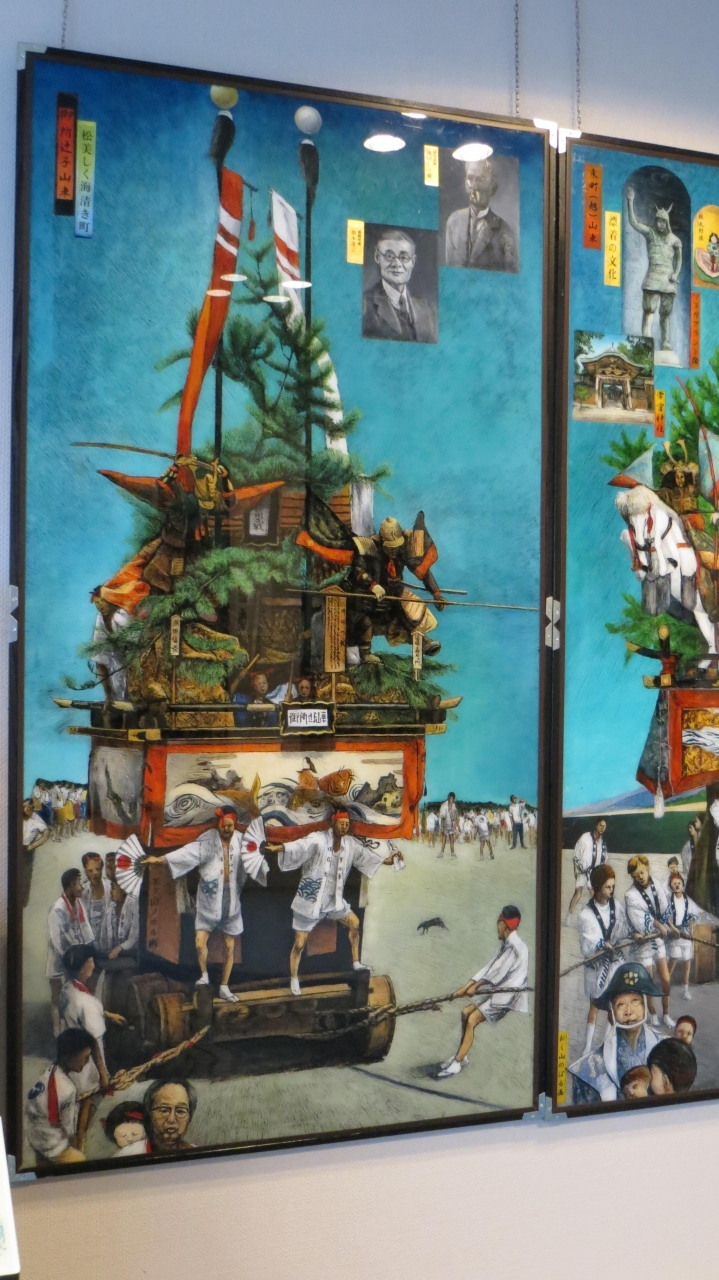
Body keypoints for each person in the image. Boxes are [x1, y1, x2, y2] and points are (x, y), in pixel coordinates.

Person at [267, 810, 398, 995]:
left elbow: (366, 855)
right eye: (341, 823)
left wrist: (388, 861)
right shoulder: (319, 839)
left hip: (333, 901)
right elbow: (301, 846)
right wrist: (280, 848)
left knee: (354, 923)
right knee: (299, 943)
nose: (344, 827)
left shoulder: (350, 844)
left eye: (347, 824)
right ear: (333, 823)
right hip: (310, 901)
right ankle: (294, 978)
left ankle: (356, 962)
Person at [144, 807, 268, 1001]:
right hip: (208, 898)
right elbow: (187, 853)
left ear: (235, 825)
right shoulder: (208, 840)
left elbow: (254, 857)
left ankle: (224, 986)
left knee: (230, 945)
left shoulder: (241, 840)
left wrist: (262, 858)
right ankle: (204, 975)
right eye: (223, 826)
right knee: (200, 941)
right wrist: (161, 859)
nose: (226, 829)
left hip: (231, 898)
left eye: (229, 826)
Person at [438, 905, 529, 1078]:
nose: (497, 925)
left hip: (508, 997)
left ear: (505, 924)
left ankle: (457, 1062)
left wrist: (475, 987)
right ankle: (462, 1055)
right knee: (466, 1012)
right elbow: (489, 968)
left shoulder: (514, 947)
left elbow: (497, 972)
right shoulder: (506, 944)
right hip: (499, 993)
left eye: (499, 922)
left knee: (472, 1019)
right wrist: (464, 988)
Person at [347, 515, 445, 665]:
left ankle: (423, 642)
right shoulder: (369, 549)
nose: (394, 550)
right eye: (390, 547)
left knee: (407, 615)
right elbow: (358, 571)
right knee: (364, 621)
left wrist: (436, 594)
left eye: (396, 546)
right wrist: (373, 585)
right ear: (382, 542)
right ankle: (365, 654)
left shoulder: (402, 550)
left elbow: (422, 571)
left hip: (392, 596)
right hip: (368, 597)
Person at [568, 963, 662, 1103]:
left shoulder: (665, 1047)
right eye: (621, 1004)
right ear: (612, 1010)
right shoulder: (590, 1067)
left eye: (635, 1001)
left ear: (645, 1005)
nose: (628, 1011)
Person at [576, 864, 631, 1056]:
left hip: (614, 964)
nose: (612, 890)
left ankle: (607, 1044)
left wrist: (629, 936)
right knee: (595, 1005)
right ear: (598, 887)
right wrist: (601, 944)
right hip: (597, 967)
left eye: (613, 886)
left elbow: (624, 929)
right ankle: (587, 1047)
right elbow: (587, 944)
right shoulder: (586, 914)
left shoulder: (617, 907)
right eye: (608, 886)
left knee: (613, 1007)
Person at [59, 944, 127, 1096]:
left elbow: (83, 1009)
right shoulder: (86, 1003)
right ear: (83, 968)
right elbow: (95, 1043)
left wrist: (108, 1015)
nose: (94, 965)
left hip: (71, 1057)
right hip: (86, 1067)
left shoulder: (67, 989)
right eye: (91, 961)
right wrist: (103, 1076)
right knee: (88, 1098)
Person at [25, 1028, 96, 1165]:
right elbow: (69, 1130)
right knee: (81, 1162)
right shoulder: (68, 1089)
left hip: (36, 1140)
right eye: (85, 1057)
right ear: (69, 1056)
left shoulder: (49, 1072)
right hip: (54, 1147)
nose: (87, 1062)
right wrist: (76, 1146)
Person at [626, 188, 682, 354]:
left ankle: (666, 342)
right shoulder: (650, 233)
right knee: (649, 309)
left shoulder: (674, 240)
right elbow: (634, 223)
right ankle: (646, 338)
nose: (660, 224)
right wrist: (630, 201)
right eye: (658, 221)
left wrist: (676, 274)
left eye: (663, 222)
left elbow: (679, 259)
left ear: (667, 223)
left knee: (666, 312)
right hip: (653, 277)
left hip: (668, 280)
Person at [625, 854, 676, 1028]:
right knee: (648, 981)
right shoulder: (630, 895)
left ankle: (666, 1014)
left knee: (666, 979)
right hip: (643, 943)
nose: (640, 877)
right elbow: (639, 919)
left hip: (658, 940)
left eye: (642, 872)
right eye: (635, 875)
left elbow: (664, 908)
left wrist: (671, 927)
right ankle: (652, 1013)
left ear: (647, 869)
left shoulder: (656, 884)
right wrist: (658, 925)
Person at [362, 228, 437, 343]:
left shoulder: (427, 309)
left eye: (404, 258)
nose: (397, 264)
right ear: (377, 257)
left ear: (413, 261)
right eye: (389, 256)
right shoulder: (364, 304)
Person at [444, 158, 518, 271]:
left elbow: (511, 277)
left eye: (481, 179)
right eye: (470, 178)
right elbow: (449, 268)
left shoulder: (505, 231)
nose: (474, 186)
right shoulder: (454, 221)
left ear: (493, 188)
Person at [46, 869, 95, 1033]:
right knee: (56, 995)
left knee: (72, 992)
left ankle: (72, 1026)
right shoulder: (58, 909)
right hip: (60, 958)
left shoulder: (79, 905)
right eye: (79, 883)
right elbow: (56, 939)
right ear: (71, 885)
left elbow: (86, 929)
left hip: (74, 957)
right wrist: (70, 958)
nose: (82, 887)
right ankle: (57, 1029)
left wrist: (87, 950)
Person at [666, 871, 701, 1001]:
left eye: (678, 883)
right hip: (674, 935)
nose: (676, 885)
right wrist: (673, 929)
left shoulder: (688, 900)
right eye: (674, 883)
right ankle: (665, 988)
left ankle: (685, 990)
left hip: (686, 935)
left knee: (687, 963)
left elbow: (693, 918)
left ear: (682, 884)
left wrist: (691, 932)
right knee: (673, 961)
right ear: (671, 886)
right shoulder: (668, 900)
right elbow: (666, 918)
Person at [566, 818, 607, 921]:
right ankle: (569, 915)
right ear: (596, 825)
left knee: (594, 894)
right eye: (600, 825)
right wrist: (575, 868)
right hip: (582, 870)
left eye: (604, 826)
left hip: (593, 873)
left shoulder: (602, 843)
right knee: (578, 893)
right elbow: (576, 853)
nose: (602, 828)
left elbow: (604, 860)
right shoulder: (585, 837)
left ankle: (597, 917)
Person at [143, 1078, 197, 1154]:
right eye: (164, 1110)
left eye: (180, 1111)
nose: (171, 1119)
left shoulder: (198, 1154)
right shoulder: (134, 1152)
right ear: (149, 1113)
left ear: (189, 1117)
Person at [22, 796, 49, 907]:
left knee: (25, 875)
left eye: (30, 807)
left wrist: (33, 846)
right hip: (15, 848)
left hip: (27, 849)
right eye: (25, 806)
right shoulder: (18, 816)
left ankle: (23, 901)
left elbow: (46, 834)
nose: (27, 809)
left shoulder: (36, 819)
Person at [81, 852, 112, 944]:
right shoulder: (82, 892)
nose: (95, 873)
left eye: (97, 869)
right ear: (85, 871)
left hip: (109, 942)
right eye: (90, 871)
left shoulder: (111, 888)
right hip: (89, 944)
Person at [438, 792, 458, 858]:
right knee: (444, 838)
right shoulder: (444, 805)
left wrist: (455, 823)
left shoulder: (454, 805)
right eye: (450, 797)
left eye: (452, 798)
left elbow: (455, 816)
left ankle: (452, 852)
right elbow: (442, 815)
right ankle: (441, 852)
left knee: (451, 838)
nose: (451, 799)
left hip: (451, 825)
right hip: (445, 824)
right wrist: (448, 809)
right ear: (448, 797)